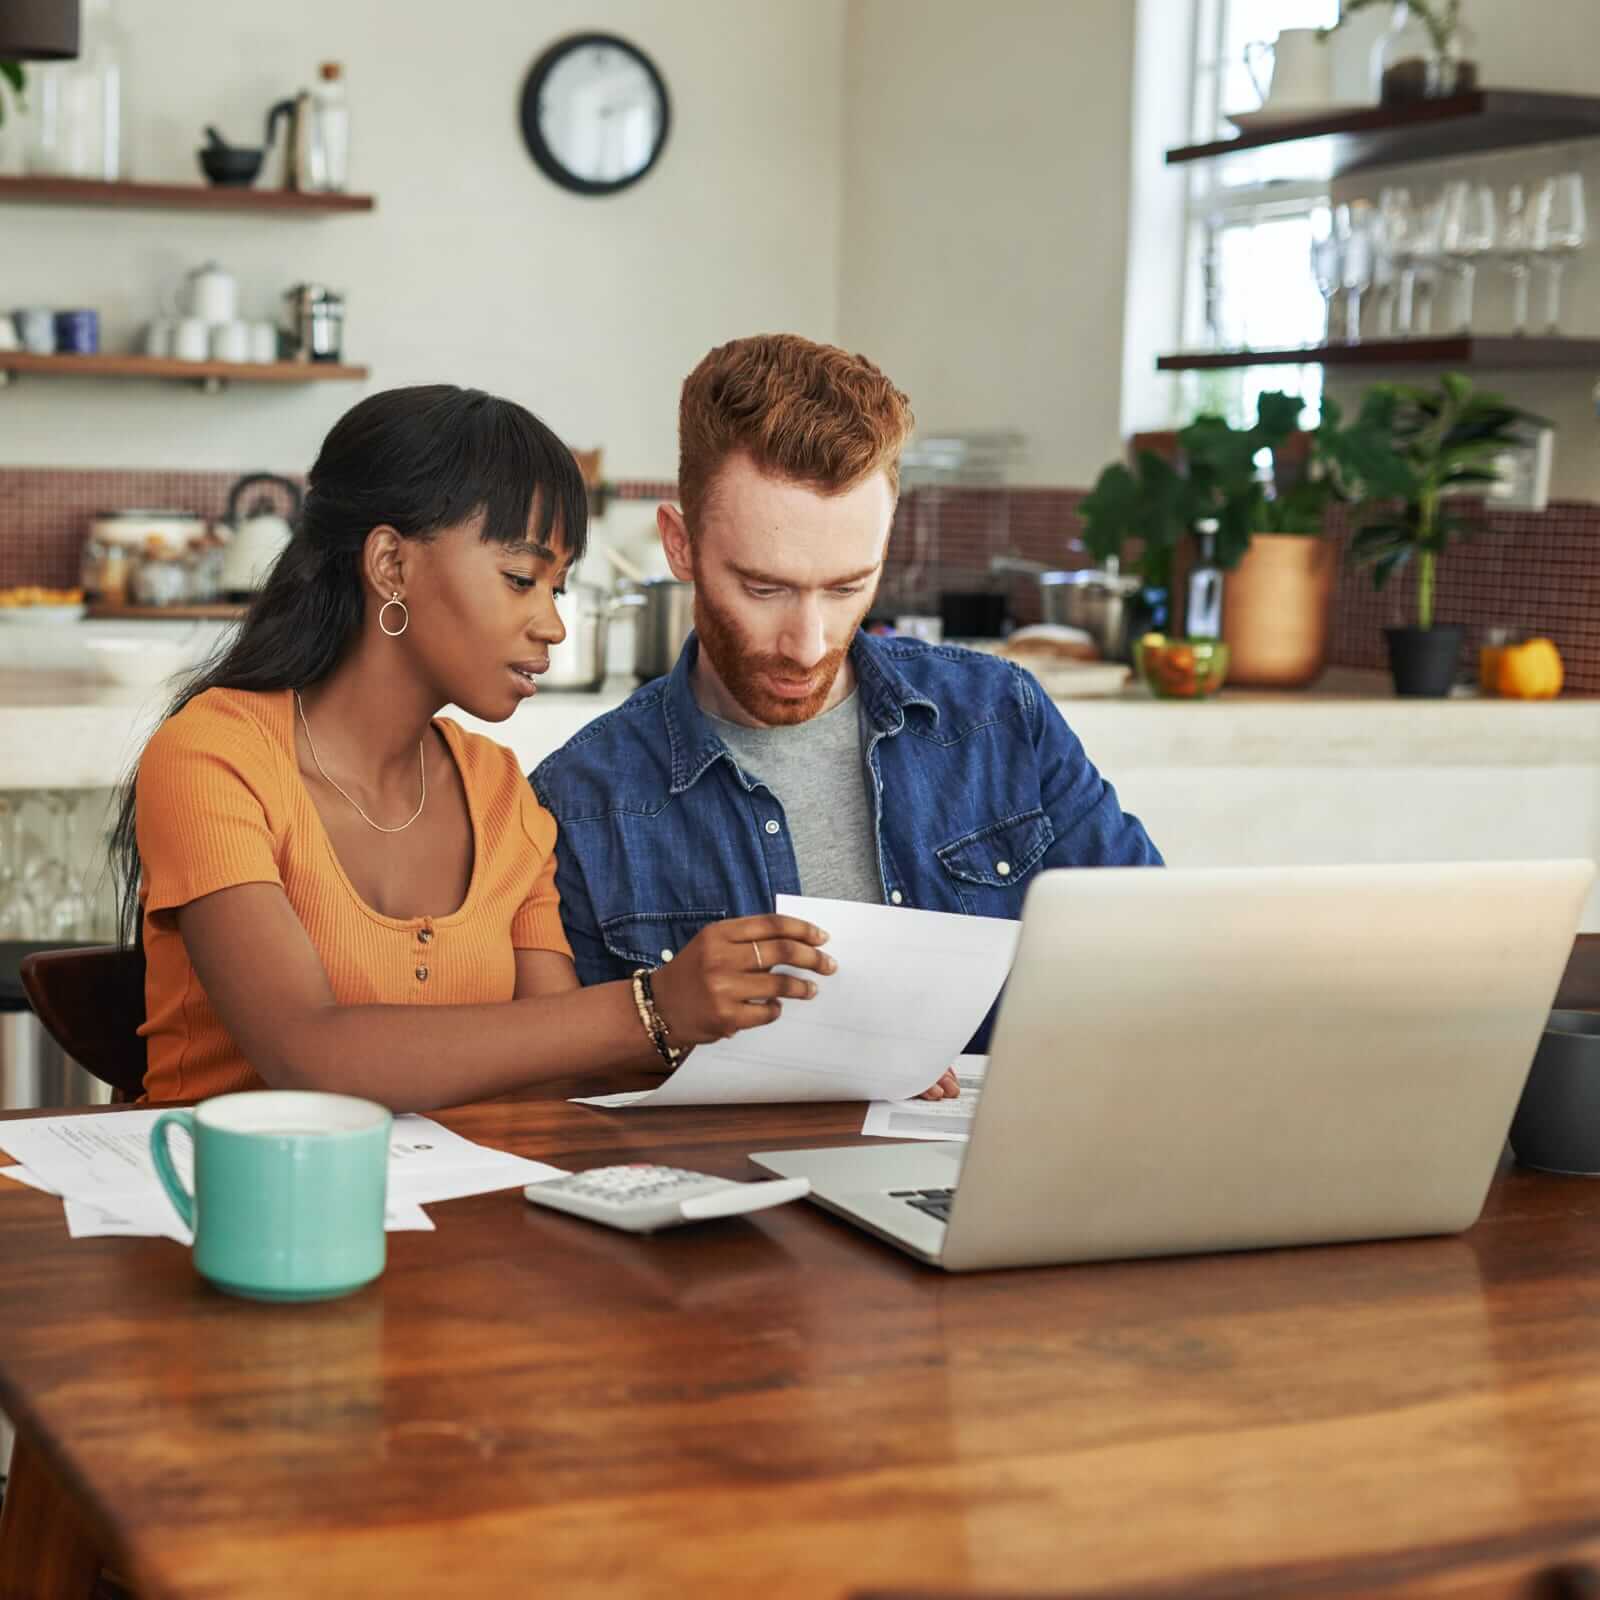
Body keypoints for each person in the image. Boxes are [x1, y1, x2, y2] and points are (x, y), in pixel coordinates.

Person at [112, 385, 834, 1109]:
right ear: (391, 565)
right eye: (521, 579)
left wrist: (779, 1045)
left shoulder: (498, 791)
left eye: (557, 588)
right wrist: (655, 1006)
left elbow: (559, 1066)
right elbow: (308, 1056)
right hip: (215, 1181)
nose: (552, 625)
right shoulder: (215, 755)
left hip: (465, 1185)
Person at [532, 334, 1163, 1075]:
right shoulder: (579, 802)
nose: (808, 644)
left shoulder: (1002, 718)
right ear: (680, 545)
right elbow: (577, 1099)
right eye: (764, 588)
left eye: (846, 587)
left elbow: (1152, 958)